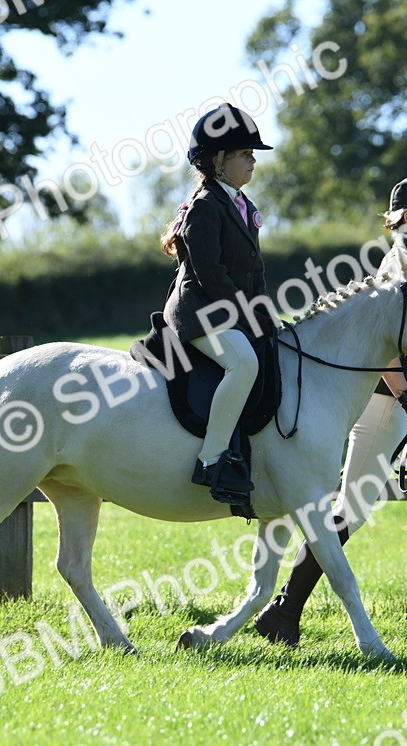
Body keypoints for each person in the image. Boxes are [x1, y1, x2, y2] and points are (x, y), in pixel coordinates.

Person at [253, 175, 407, 645]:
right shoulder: (396, 263)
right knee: (353, 511)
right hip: (387, 407)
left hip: (405, 405)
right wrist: (406, 399)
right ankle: (284, 611)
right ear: (406, 216)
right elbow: (379, 345)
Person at [158, 103, 279, 504]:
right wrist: (249, 315)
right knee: (243, 362)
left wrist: (268, 315)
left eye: (253, 154)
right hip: (199, 313)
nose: (253, 161)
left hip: (227, 310)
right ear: (218, 160)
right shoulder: (206, 206)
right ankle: (211, 461)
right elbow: (212, 274)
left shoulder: (243, 206)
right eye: (245, 154)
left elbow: (253, 273)